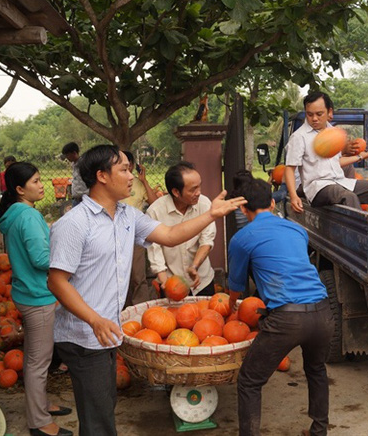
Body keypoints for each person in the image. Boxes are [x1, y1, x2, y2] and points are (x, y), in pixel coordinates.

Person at [47, 145, 245, 435]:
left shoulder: (128, 215)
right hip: (83, 335)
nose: (132, 177)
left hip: (106, 331)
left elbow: (169, 235)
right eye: (124, 170)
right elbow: (56, 281)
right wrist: (94, 319)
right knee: (98, 417)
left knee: (102, 409)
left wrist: (210, 215)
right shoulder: (74, 224)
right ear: (101, 176)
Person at [228, 177, 334, 436]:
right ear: (273, 203)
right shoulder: (297, 229)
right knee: (316, 369)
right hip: (322, 312)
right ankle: (319, 431)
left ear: (243, 209)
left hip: (287, 319)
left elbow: (237, 286)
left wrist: (231, 307)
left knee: (249, 381)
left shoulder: (242, 238)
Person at [0, 162, 73, 436]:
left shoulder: (17, 213)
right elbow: (41, 259)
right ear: (19, 189)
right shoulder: (27, 216)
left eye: (41, 179)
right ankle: (39, 422)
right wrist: (67, 255)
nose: (42, 185)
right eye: (36, 181)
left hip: (25, 292)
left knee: (34, 357)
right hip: (38, 296)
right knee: (38, 362)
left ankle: (40, 404)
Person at [284, 92, 368, 216]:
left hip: (341, 182)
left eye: (319, 114)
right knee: (348, 197)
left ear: (329, 112)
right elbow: (290, 169)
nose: (314, 119)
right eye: (310, 114)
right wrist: (293, 196)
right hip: (318, 188)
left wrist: (360, 156)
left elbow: (336, 162)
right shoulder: (299, 137)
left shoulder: (333, 134)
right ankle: (362, 234)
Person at [146, 162, 217, 296]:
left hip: (202, 282)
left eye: (199, 186)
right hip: (171, 283)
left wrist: (194, 267)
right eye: (193, 189)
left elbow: (207, 241)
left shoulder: (204, 204)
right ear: (176, 192)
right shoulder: (155, 212)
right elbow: (155, 252)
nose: (199, 193)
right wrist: (165, 283)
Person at [121, 151, 158, 306]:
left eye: (128, 164)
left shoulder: (137, 183)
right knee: (121, 277)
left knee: (138, 275)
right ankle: (124, 308)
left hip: (135, 235)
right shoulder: (112, 184)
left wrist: (144, 181)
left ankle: (139, 308)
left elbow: (154, 201)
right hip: (116, 235)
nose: (127, 168)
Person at [61, 142, 88, 206]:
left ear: (74, 153)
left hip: (85, 199)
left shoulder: (84, 164)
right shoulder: (74, 165)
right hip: (76, 199)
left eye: (67, 155)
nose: (66, 158)